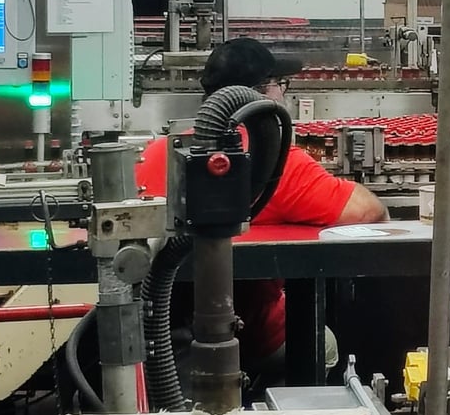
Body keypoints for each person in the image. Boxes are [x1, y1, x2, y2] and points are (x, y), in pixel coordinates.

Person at [135, 37, 387, 383]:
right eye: (282, 85)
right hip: (251, 335)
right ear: (265, 92)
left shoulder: (155, 153)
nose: (285, 94)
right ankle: (279, 400)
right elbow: (369, 212)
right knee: (324, 343)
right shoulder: (273, 159)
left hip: (158, 338)